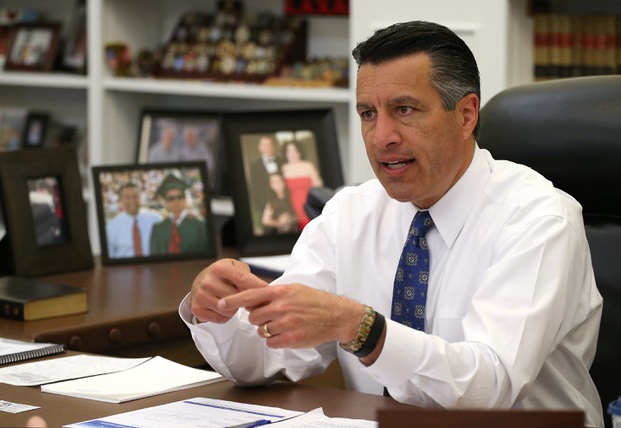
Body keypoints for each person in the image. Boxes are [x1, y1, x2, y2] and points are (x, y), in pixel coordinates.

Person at [180, 21, 603, 428]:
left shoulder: (538, 218)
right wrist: (218, 312)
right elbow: (267, 359)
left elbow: (489, 385)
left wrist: (360, 327)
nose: (382, 137)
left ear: (466, 115)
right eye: (367, 113)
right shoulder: (350, 213)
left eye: (404, 110)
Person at [149, 174, 210, 255]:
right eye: (171, 198)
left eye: (179, 197)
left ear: (184, 199)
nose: (176, 201)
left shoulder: (200, 224)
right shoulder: (158, 228)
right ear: (166, 202)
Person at [106, 182, 161, 258]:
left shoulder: (155, 219)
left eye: (135, 197)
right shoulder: (111, 227)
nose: (131, 201)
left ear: (140, 198)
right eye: (127, 197)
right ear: (121, 200)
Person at [281, 140, 323, 230]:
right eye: (289, 151)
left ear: (299, 151)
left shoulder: (308, 166)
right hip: (292, 208)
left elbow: (318, 186)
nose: (292, 154)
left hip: (308, 205)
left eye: (295, 150)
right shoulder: (283, 168)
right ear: (285, 153)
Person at [247, 135, 285, 215]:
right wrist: (258, 208)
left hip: (284, 203)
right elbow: (254, 187)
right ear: (260, 147)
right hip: (264, 205)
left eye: (270, 144)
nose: (267, 147)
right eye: (264, 145)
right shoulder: (254, 165)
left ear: (274, 146)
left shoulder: (283, 161)